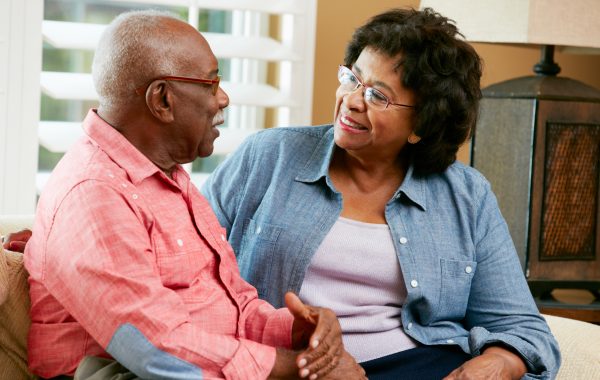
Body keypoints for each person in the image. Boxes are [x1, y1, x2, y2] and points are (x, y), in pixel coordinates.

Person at [201, 7, 561, 380]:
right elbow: (183, 272)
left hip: (421, 367)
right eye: (352, 79)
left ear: (421, 124)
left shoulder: (467, 196)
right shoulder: (268, 156)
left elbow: (523, 328)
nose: (352, 100)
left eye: (377, 95)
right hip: (293, 366)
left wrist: (498, 362)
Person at [20, 10, 366, 380]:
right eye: (210, 84)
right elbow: (157, 349)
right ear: (163, 100)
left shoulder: (167, 176)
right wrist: (300, 370)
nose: (223, 98)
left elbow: (234, 309)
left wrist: (297, 330)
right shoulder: (94, 194)